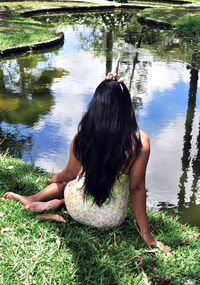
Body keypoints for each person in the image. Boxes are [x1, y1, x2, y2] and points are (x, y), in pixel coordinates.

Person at [3, 61, 158, 248]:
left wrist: (55, 177)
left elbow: (69, 174)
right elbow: (136, 188)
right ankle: (53, 202)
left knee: (69, 182)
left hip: (76, 208)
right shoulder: (140, 141)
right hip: (111, 218)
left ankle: (36, 199)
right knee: (81, 180)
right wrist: (147, 234)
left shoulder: (83, 137)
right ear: (127, 107)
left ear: (96, 105)